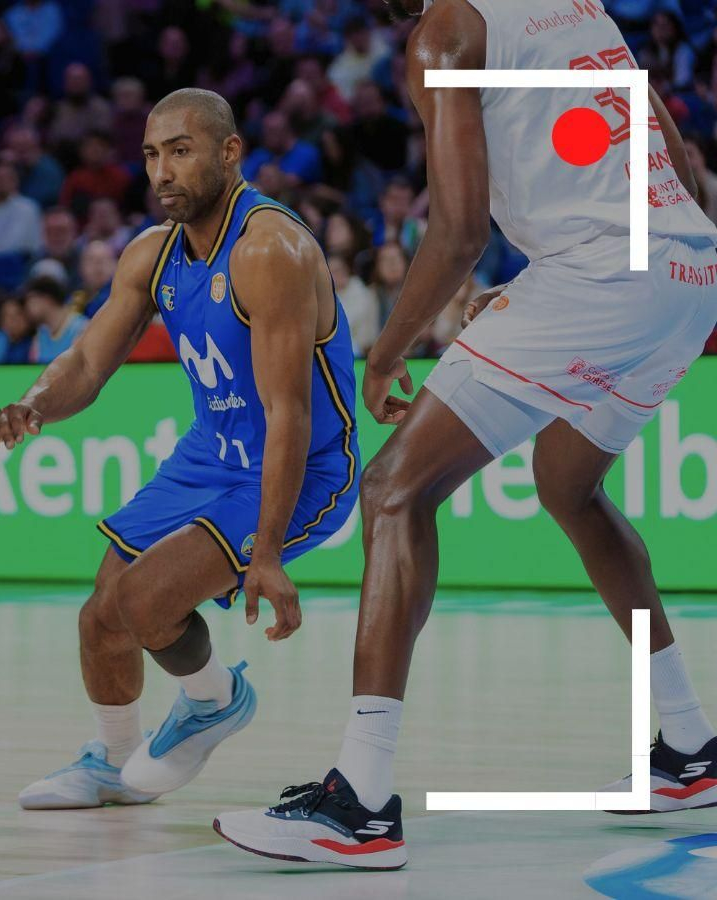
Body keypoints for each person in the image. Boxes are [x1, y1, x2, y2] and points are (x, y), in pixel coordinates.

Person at [217, 0, 717, 870]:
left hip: (597, 279)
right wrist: (568, 290)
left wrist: (385, 354)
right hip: (688, 267)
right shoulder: (576, 7)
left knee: (394, 490)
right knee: (568, 483)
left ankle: (360, 804)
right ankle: (690, 749)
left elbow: (457, 230)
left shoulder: (447, 29)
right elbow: (676, 160)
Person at [0, 88, 358, 812]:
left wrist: (270, 555)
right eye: (152, 155)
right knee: (100, 616)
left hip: (302, 465)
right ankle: (113, 763)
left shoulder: (271, 250)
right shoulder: (150, 254)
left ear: (229, 154)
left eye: (181, 151)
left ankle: (214, 698)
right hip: (210, 454)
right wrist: (35, 404)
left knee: (144, 600)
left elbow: (289, 411)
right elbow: (89, 362)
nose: (162, 171)